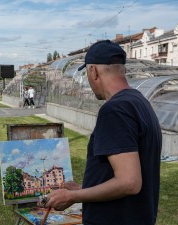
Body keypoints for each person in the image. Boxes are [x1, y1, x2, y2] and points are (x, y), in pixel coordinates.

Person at [45, 40, 162, 225]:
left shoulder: (115, 109)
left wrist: (72, 196)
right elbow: (121, 175)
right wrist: (82, 189)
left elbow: (129, 182)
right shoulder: (140, 102)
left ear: (93, 71)